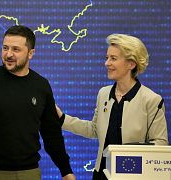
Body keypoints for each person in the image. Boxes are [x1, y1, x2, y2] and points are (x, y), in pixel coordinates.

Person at [0, 25, 75, 180]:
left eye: (15, 49)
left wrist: (66, 170)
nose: (8, 54)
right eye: (5, 48)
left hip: (30, 172)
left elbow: (51, 133)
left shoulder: (41, 86)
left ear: (31, 54)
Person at [56, 34, 168, 179]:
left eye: (113, 58)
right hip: (101, 174)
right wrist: (62, 119)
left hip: (132, 176)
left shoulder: (152, 100)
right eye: (107, 57)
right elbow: (94, 130)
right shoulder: (104, 94)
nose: (107, 63)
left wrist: (128, 153)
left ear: (131, 64)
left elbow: (160, 144)